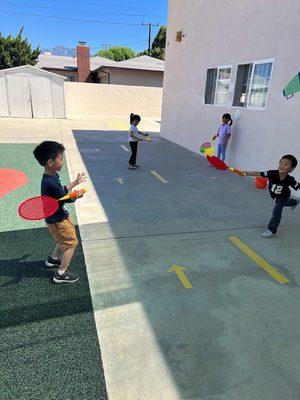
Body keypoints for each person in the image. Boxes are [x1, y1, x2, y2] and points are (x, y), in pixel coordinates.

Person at [33, 141, 87, 283]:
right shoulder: (50, 182)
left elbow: (61, 191)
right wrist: (77, 194)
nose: (62, 161)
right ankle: (61, 273)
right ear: (51, 162)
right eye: (61, 159)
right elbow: (65, 198)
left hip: (53, 218)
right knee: (71, 243)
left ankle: (54, 259)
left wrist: (75, 182)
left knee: (62, 240)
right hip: (59, 219)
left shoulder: (51, 176)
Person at [244, 155, 300, 238]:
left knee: (276, 212)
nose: (282, 165)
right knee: (281, 204)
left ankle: (272, 230)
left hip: (283, 196)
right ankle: (294, 202)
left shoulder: (289, 179)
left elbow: (298, 186)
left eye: (285, 164)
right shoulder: (271, 173)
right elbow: (258, 173)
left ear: (291, 169)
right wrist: (246, 173)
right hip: (275, 197)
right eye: (280, 163)